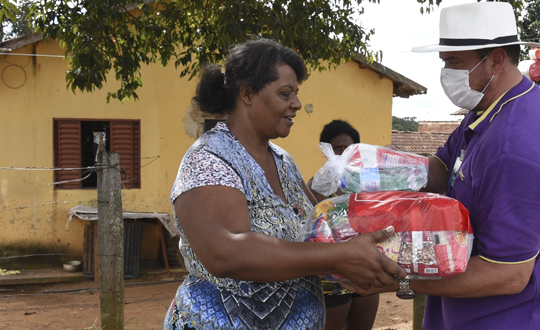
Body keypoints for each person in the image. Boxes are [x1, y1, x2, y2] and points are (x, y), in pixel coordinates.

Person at [341, 2, 540, 329]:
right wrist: (369, 171)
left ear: (496, 59)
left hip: (518, 319)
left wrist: (395, 281)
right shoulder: (486, 109)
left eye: (454, 63)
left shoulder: (516, 144)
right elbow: (442, 169)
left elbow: (507, 273)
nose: (446, 73)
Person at [163, 38, 405, 330]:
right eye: (285, 93)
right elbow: (224, 253)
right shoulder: (209, 158)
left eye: (296, 93)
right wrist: (337, 257)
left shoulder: (283, 161)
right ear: (248, 93)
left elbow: (319, 232)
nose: (297, 104)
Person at [308, 120, 379, 330]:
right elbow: (319, 224)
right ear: (326, 150)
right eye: (336, 148)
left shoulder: (365, 182)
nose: (342, 152)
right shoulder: (317, 184)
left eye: (347, 148)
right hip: (333, 271)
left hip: (366, 266)